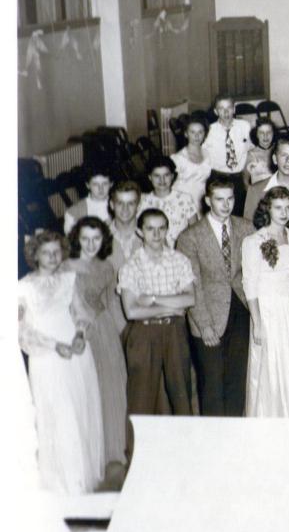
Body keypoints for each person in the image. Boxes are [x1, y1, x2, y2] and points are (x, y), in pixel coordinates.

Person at [18, 230, 104, 494]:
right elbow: (22, 331)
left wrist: (79, 335)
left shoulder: (70, 279)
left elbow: (81, 312)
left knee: (77, 412)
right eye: (46, 253)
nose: (53, 257)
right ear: (35, 255)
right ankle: (61, 483)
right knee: (56, 413)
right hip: (46, 355)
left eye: (57, 252)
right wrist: (56, 346)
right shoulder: (23, 287)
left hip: (76, 353)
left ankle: (79, 479)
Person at [176, 174, 253, 417]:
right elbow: (192, 285)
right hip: (208, 315)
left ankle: (234, 434)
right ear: (208, 200)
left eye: (230, 199)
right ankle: (214, 440)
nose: (226, 205)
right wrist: (204, 325)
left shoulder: (246, 228)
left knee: (236, 378)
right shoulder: (190, 237)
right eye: (219, 199)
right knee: (212, 382)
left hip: (240, 310)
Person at [119, 208, 195, 420]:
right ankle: (137, 451)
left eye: (161, 228)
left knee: (181, 395)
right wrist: (171, 306)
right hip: (144, 333)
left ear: (167, 230)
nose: (156, 234)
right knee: (141, 399)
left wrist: (152, 298)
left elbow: (190, 299)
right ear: (140, 232)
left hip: (174, 332)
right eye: (150, 229)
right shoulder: (131, 266)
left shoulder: (180, 260)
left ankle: (186, 448)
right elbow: (132, 311)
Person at [65, 218, 127, 467]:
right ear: (76, 239)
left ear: (104, 240)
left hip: (104, 328)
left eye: (96, 239)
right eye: (85, 239)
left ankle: (111, 448)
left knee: (111, 385)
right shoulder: (66, 266)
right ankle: (88, 451)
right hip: (76, 329)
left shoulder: (107, 267)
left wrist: (120, 331)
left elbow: (111, 301)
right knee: (84, 387)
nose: (91, 244)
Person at [241, 186, 289, 418]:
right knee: (270, 366)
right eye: (278, 207)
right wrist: (257, 322)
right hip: (267, 310)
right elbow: (249, 283)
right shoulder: (253, 241)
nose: (284, 212)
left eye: (288, 208)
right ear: (268, 208)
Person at [243, 134, 289, 227]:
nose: (288, 160)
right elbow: (247, 229)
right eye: (284, 155)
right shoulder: (255, 191)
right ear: (275, 159)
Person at [203, 96, 253, 214]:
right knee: (218, 213)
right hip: (217, 178)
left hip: (238, 178)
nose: (226, 112)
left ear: (234, 109)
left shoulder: (245, 126)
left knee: (239, 214)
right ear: (215, 111)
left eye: (229, 108)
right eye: (221, 108)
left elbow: (251, 149)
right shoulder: (209, 130)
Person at [138, 155, 198, 247]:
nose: (162, 180)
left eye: (166, 175)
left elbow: (195, 232)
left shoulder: (185, 199)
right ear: (150, 177)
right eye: (157, 176)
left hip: (181, 251)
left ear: (172, 176)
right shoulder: (143, 201)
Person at [172, 113, 214, 208]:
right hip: (182, 203)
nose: (197, 136)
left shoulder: (208, 155)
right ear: (186, 134)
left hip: (201, 202)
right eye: (192, 132)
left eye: (200, 132)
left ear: (205, 134)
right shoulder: (178, 158)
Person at [63, 166, 113, 234]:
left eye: (104, 184)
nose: (100, 188)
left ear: (111, 184)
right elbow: (71, 238)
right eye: (95, 184)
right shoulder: (73, 212)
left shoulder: (119, 204)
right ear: (88, 185)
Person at [107, 181, 143, 272]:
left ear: (138, 206)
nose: (125, 209)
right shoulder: (100, 234)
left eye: (130, 203)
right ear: (112, 205)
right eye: (120, 203)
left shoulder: (152, 233)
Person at [243, 118, 277, 188]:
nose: (265, 136)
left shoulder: (279, 151)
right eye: (261, 132)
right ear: (256, 134)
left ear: (273, 133)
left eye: (269, 132)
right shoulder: (250, 155)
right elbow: (245, 182)